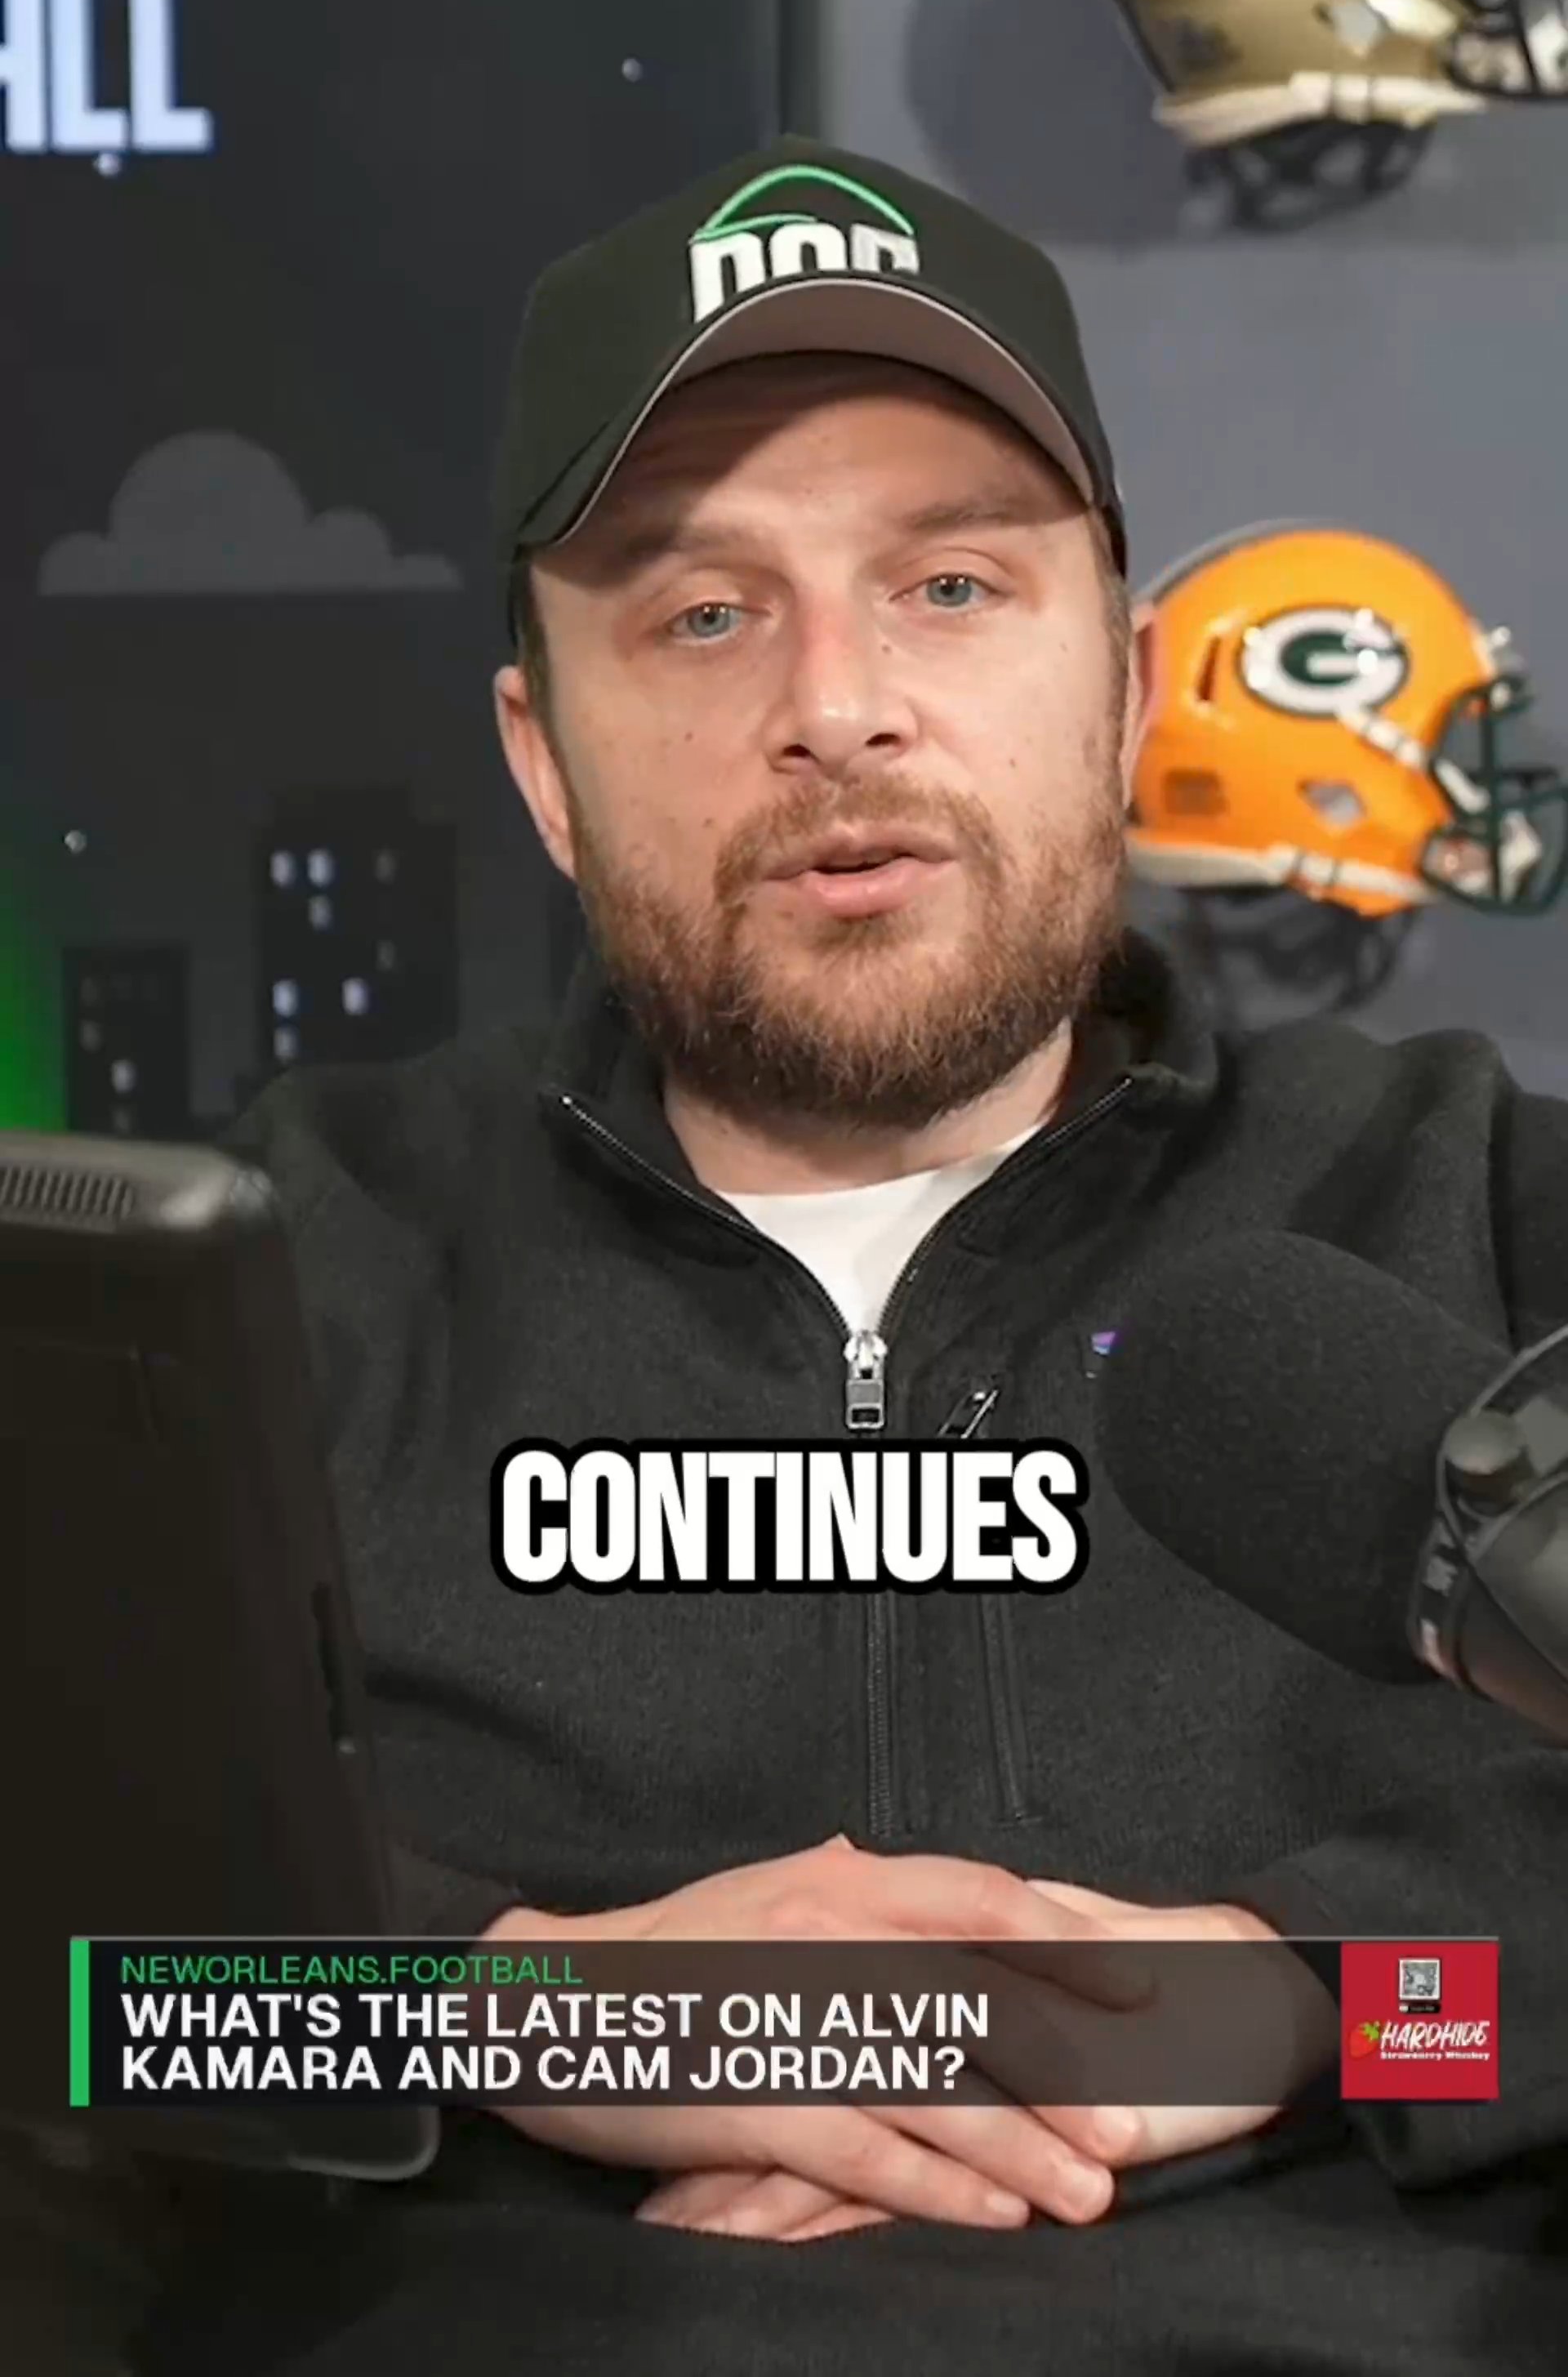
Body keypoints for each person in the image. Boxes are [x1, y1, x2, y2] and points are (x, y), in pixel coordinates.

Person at [138, 140, 1566, 2373]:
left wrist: (1308, 2002)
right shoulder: (272, 1269)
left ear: (1129, 690)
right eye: (704, 615)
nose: (841, 704)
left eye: (953, 585)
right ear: (544, 760)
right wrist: (506, 2008)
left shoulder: (1484, 1203)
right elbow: (87, 2004)